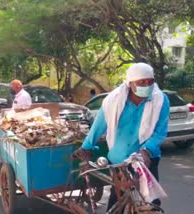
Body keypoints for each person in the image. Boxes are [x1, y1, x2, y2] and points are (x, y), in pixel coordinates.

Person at [72, 62, 170, 211]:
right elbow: (99, 125)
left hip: (147, 158)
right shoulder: (114, 100)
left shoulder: (161, 100)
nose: (147, 85)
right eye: (142, 82)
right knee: (117, 199)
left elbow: (160, 132)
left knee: (152, 203)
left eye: (150, 81)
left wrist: (146, 151)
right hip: (119, 159)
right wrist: (86, 146)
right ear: (130, 83)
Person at [0, 79, 32, 177]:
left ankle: (5, 168)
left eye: (12, 87)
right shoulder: (18, 95)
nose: (11, 89)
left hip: (20, 124)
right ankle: (2, 167)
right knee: (5, 148)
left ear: (18, 86)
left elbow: (24, 110)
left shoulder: (24, 96)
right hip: (13, 122)